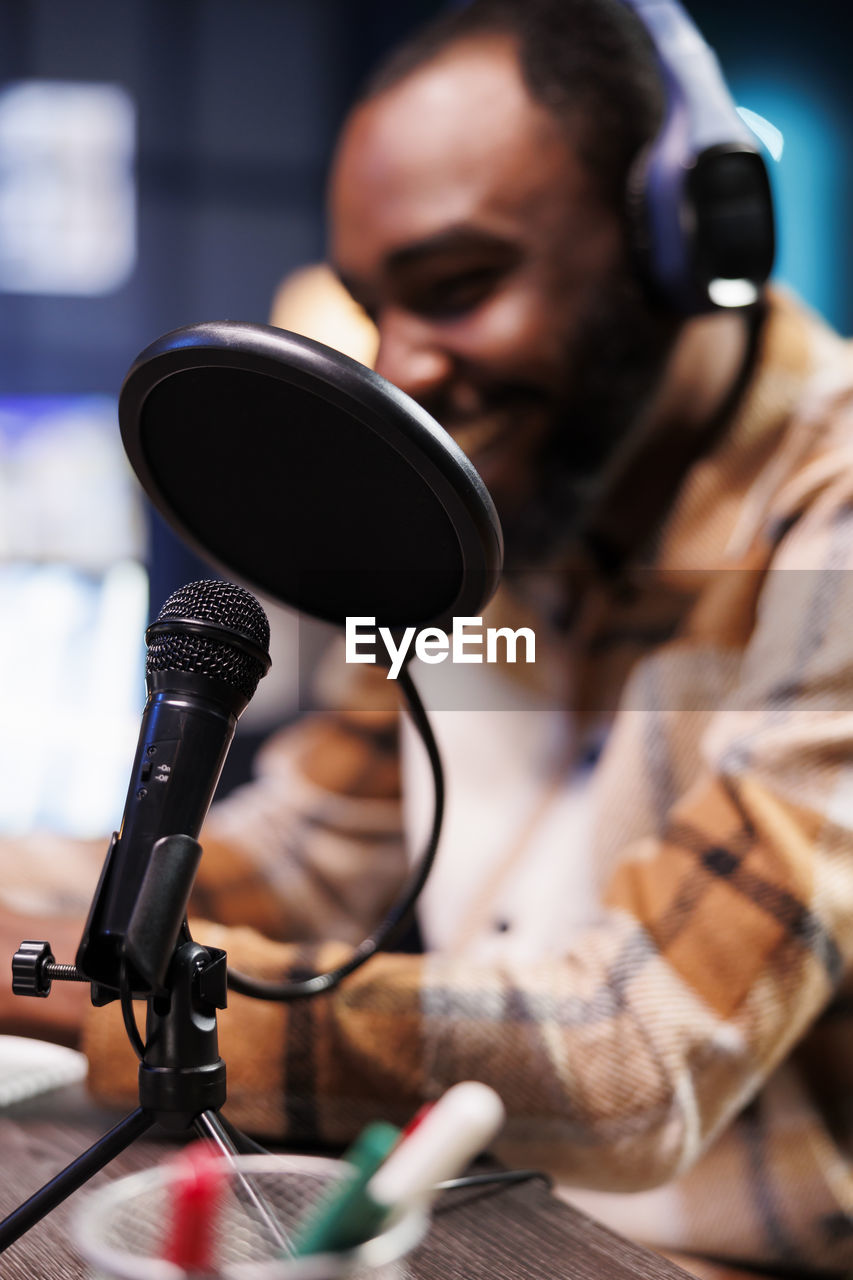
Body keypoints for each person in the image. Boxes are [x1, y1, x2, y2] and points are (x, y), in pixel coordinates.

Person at [4, 1, 853, 1275]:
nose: (401, 362)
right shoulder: (498, 507)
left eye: (457, 287)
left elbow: (628, 1056)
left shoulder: (830, 516)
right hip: (479, 1212)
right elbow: (298, 864)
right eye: (371, 304)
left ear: (681, 242)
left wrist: (53, 989)